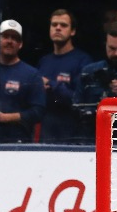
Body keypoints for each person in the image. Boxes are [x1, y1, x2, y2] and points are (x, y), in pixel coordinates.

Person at [37, 9, 93, 144]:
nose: (58, 28)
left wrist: (52, 85)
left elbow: (80, 101)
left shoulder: (83, 61)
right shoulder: (44, 61)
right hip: (47, 134)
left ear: (72, 31)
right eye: (54, 24)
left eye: (63, 25)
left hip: (73, 135)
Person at [0, 19, 46, 143]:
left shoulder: (32, 74)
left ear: (20, 44)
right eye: (5, 36)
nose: (10, 41)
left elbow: (38, 112)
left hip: (19, 145)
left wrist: (6, 118)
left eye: (15, 38)